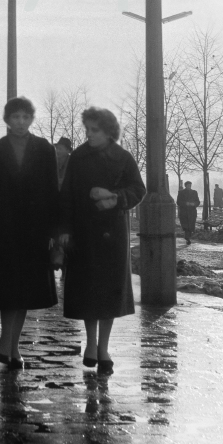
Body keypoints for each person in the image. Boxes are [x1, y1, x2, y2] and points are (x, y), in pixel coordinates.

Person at [58, 107, 145, 374]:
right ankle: (90, 344)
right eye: (87, 129)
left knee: (109, 293)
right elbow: (67, 194)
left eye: (94, 130)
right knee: (88, 291)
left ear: (109, 131)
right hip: (83, 233)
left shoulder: (123, 157)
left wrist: (115, 196)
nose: (89, 135)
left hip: (113, 235)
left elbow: (138, 189)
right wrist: (63, 228)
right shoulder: (79, 157)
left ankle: (103, 348)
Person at [0, 96, 59, 369]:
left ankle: (13, 344)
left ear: (31, 120)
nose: (21, 122)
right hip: (2, 228)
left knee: (25, 291)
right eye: (16, 117)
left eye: (25, 117)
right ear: (7, 120)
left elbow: (51, 192)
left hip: (34, 229)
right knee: (6, 288)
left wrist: (53, 230)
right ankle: (6, 340)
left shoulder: (45, 150)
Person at [177, 180, 200, 244]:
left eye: (190, 185)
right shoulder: (181, 193)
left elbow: (198, 202)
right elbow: (178, 202)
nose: (189, 186)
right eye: (188, 185)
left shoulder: (194, 192)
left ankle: (188, 237)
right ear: (185, 186)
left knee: (191, 225)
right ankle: (187, 237)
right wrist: (186, 203)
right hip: (184, 211)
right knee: (185, 225)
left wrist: (194, 204)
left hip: (192, 211)